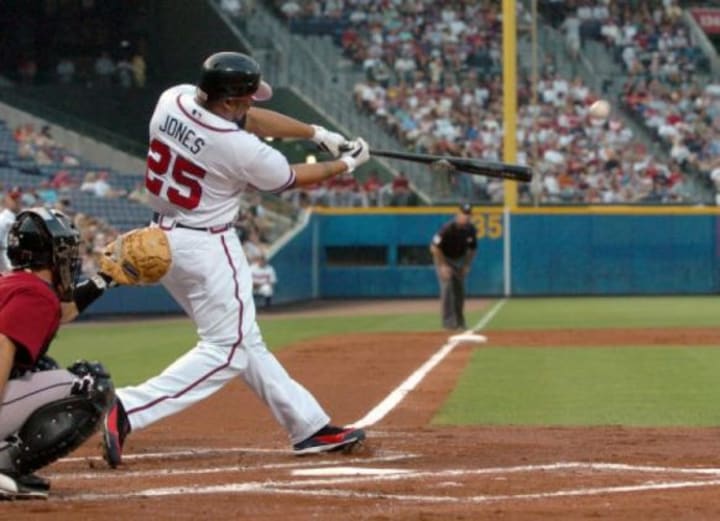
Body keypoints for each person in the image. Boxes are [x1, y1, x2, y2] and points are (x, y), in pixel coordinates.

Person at [101, 51, 371, 468]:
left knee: (245, 340)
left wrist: (315, 132)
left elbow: (249, 119)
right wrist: (346, 163)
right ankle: (128, 408)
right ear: (229, 101)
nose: (251, 104)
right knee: (227, 350)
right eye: (245, 98)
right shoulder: (239, 148)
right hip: (207, 246)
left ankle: (309, 427)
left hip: (161, 238)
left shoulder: (172, 99)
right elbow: (291, 177)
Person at [0, 207, 116, 499]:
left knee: (41, 367)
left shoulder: (15, 284)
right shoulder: (34, 293)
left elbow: (61, 310)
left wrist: (105, 279)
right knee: (90, 384)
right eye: (64, 252)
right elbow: (1, 346)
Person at [429, 203, 477, 331]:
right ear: (458, 214)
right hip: (443, 259)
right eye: (464, 214)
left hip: (459, 260)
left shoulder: (470, 229)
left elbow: (472, 250)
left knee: (459, 291)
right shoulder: (447, 229)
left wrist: (466, 265)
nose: (466, 217)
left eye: (468, 215)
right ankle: (449, 323)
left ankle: (460, 322)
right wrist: (443, 266)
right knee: (447, 288)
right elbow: (434, 247)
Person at [0, 187, 23, 272]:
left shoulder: (19, 218)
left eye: (18, 198)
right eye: (13, 198)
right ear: (5, 201)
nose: (17, 202)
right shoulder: (2, 219)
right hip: (5, 268)